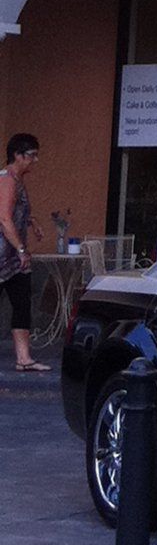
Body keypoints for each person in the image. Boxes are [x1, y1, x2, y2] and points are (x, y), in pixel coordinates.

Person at [0, 133, 47, 371]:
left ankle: (23, 357)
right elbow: (5, 218)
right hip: (4, 255)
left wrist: (33, 221)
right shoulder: (7, 180)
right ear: (17, 155)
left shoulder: (18, 180)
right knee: (18, 300)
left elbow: (18, 211)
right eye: (31, 155)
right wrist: (19, 248)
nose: (35, 160)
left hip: (13, 257)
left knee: (21, 303)